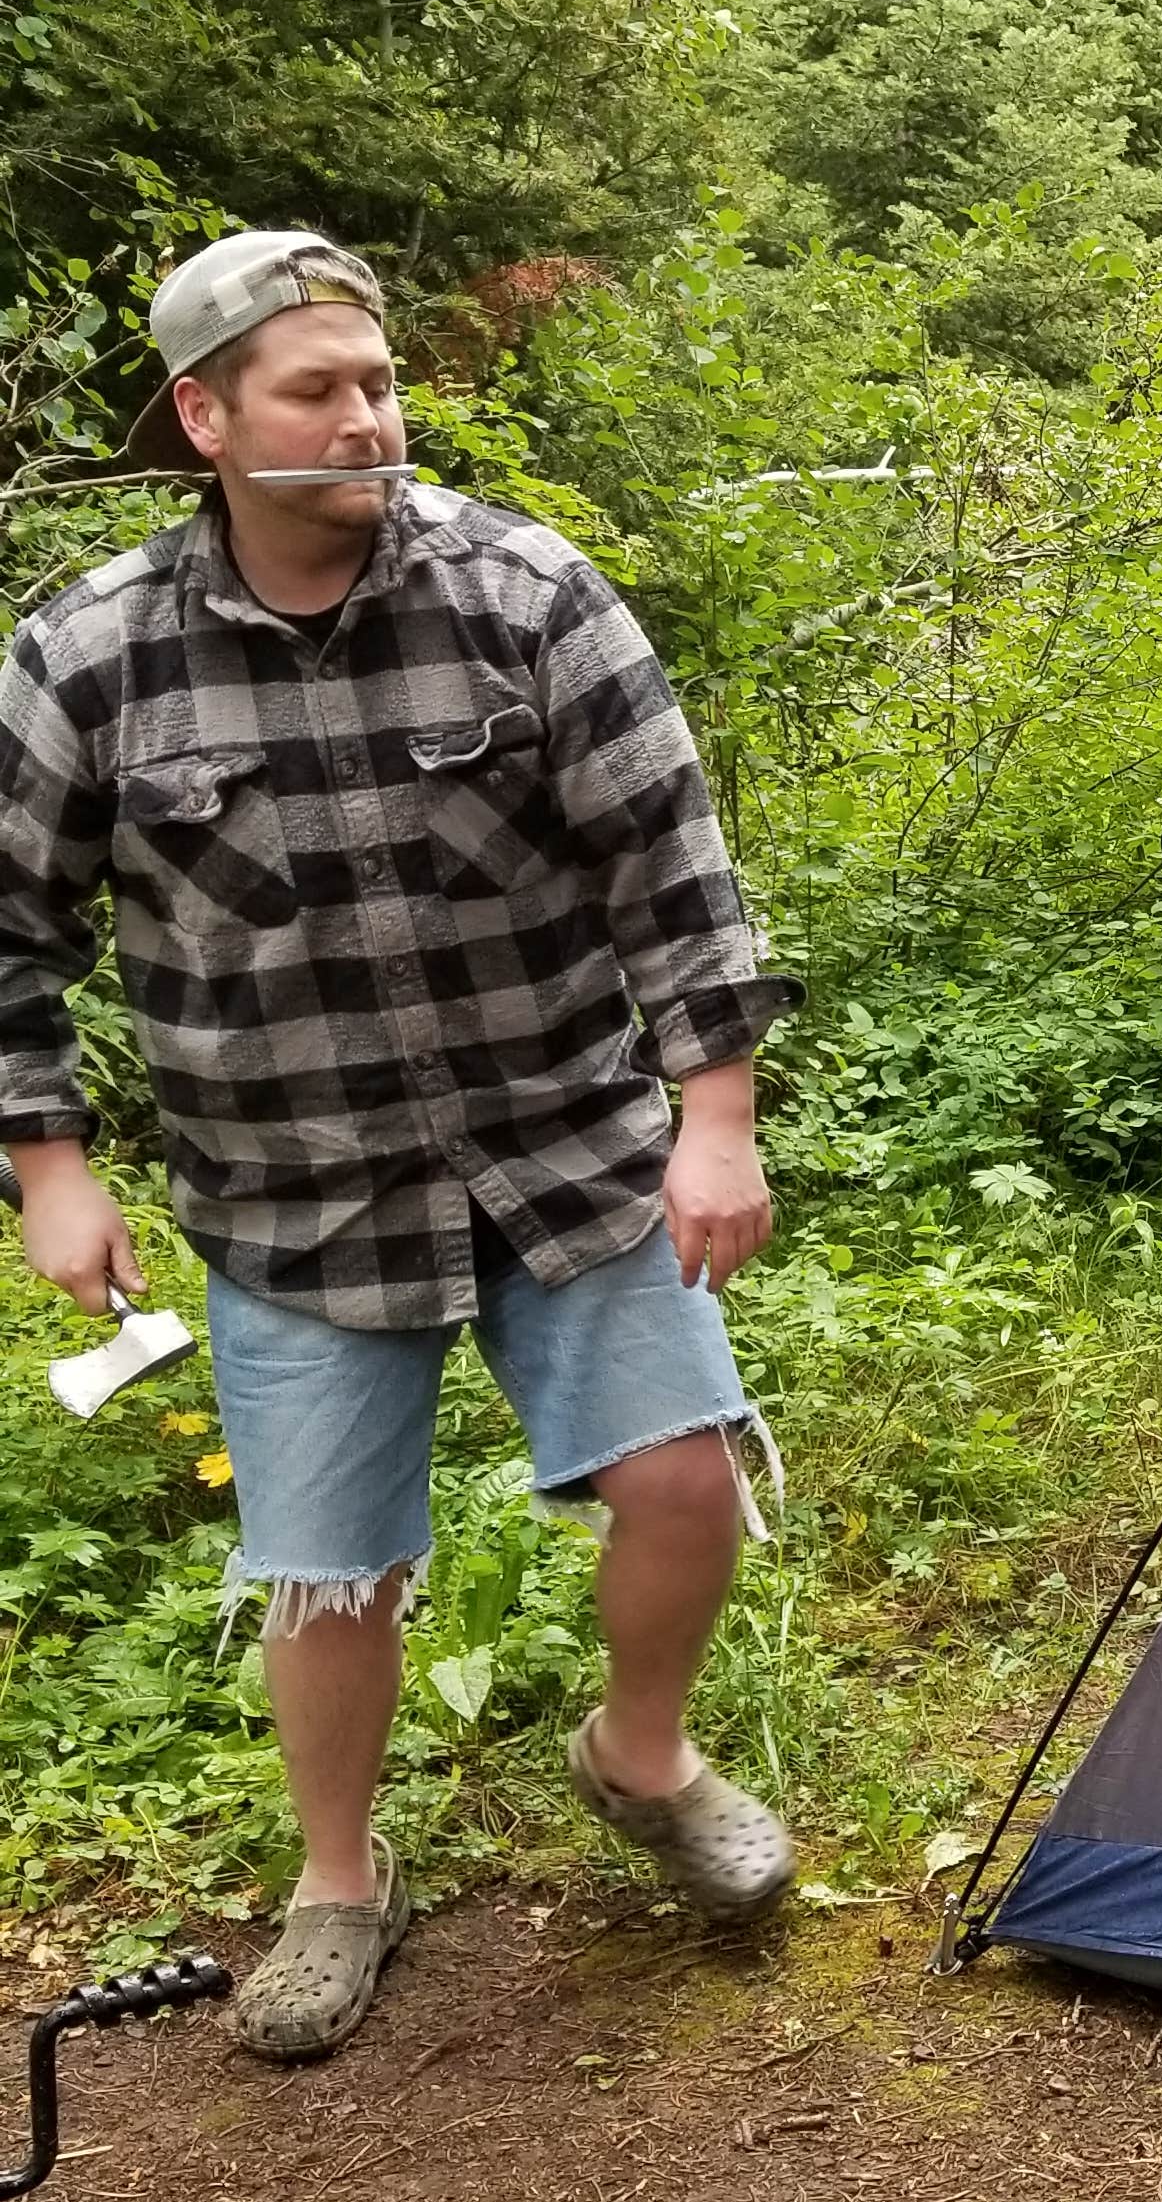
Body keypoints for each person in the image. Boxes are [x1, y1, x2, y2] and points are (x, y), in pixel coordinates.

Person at [0, 229, 803, 2061]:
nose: (366, 421)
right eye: (316, 391)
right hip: (293, 1192)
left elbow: (671, 877)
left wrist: (717, 1119)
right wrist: (48, 1159)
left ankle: (644, 1755)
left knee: (683, 1487)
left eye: (378, 384)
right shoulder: (92, 655)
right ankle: (339, 1885)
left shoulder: (528, 593)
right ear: (206, 418)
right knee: (329, 1572)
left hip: (565, 1146)